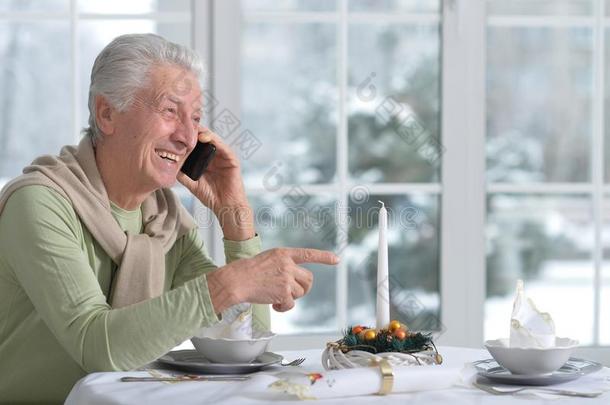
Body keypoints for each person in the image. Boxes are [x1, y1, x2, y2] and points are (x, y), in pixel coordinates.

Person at [0, 33, 339, 404]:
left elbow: (245, 344)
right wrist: (228, 285)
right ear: (107, 113)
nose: (188, 137)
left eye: (195, 118)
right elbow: (96, 346)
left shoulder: (165, 221)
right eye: (170, 111)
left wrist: (236, 219)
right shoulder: (39, 203)